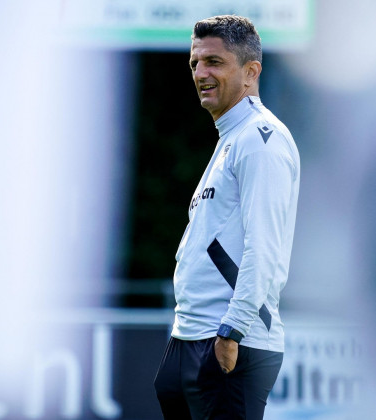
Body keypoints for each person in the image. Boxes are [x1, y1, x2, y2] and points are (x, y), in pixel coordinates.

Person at [153, 15, 301, 420]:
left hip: (230, 341)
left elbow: (264, 247)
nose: (200, 73)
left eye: (214, 62)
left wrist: (232, 330)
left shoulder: (259, 138)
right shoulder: (232, 138)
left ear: (251, 72)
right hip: (191, 336)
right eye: (194, 63)